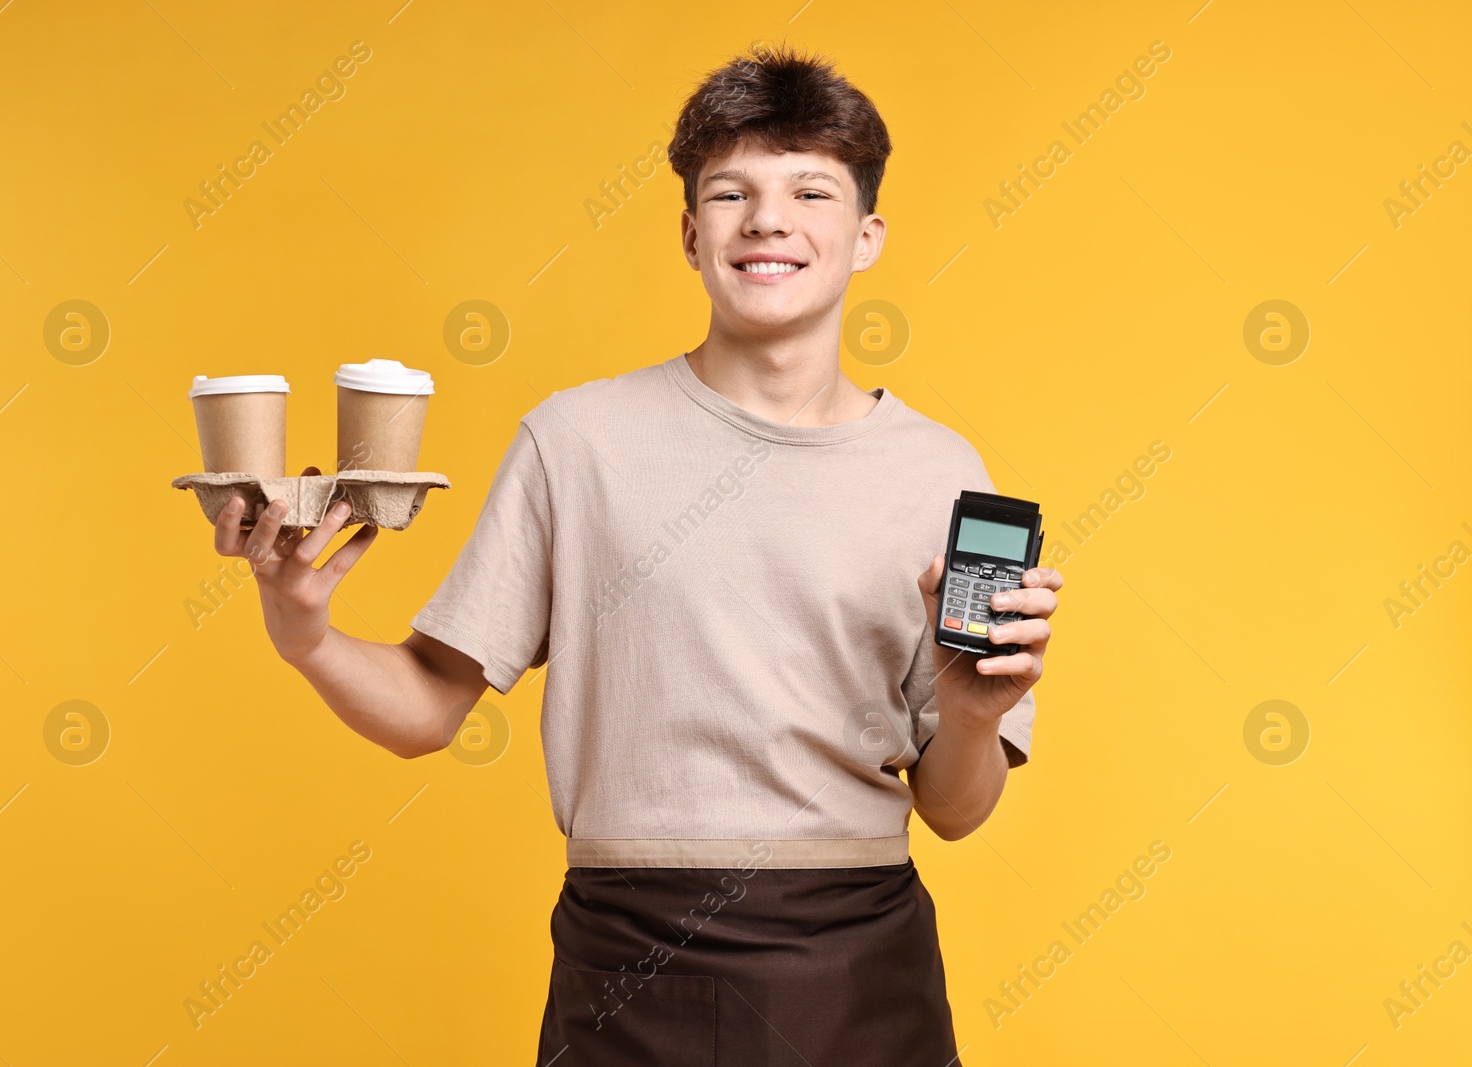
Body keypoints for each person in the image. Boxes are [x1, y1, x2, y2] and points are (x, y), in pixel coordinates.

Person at [211, 42, 1062, 1067]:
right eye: (730, 192)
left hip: (855, 964)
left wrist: (968, 716)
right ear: (690, 231)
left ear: (867, 234)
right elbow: (427, 708)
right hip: (624, 959)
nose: (767, 221)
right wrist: (304, 633)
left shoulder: (938, 469)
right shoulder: (574, 441)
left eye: (810, 191)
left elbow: (955, 810)